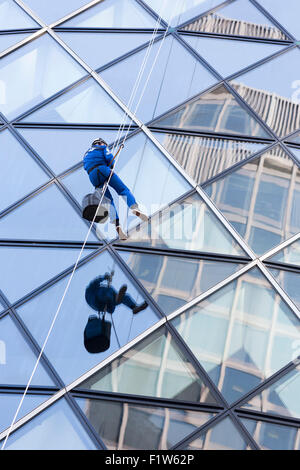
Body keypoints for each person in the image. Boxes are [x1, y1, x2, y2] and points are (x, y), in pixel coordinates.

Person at [83, 138, 148, 240]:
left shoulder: (86, 155)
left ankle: (117, 225)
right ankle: (135, 208)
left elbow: (86, 167)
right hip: (103, 170)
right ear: (100, 143)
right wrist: (111, 165)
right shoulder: (102, 147)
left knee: (108, 201)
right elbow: (109, 157)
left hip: (93, 177)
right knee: (123, 190)